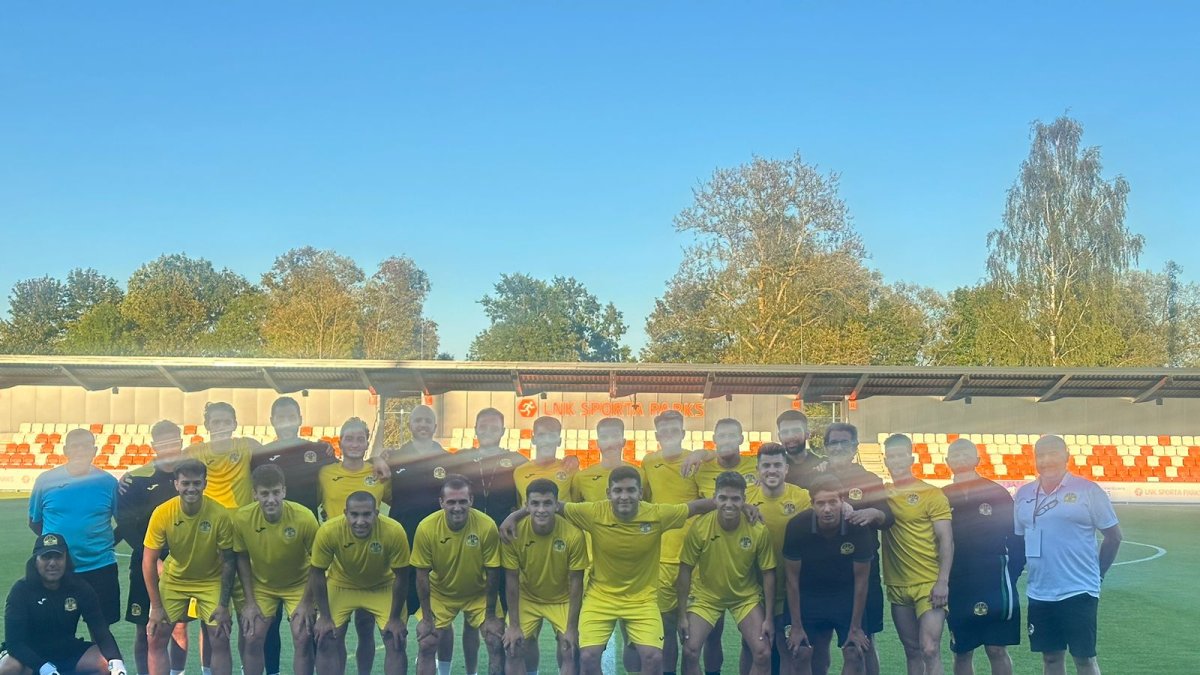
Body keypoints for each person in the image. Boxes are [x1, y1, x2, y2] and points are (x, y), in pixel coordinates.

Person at [501, 465, 745, 675]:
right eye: (618, 490)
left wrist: (741, 507)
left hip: (643, 599)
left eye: (630, 490)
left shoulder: (657, 514)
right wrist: (515, 515)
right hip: (600, 597)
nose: (624, 496)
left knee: (653, 659)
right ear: (609, 493)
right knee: (587, 658)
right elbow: (551, 505)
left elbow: (694, 506)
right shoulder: (594, 512)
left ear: (640, 492)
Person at [1014, 435, 1121, 675]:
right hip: (1039, 591)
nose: (1046, 460)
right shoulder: (1023, 494)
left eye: (1052, 453)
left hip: (1078, 589)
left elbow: (1114, 536)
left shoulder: (1088, 490)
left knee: (1084, 659)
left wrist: (1098, 575)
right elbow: (1020, 540)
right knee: (1051, 659)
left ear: (1067, 457)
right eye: (1040, 455)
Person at [372, 405, 461, 672]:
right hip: (401, 549)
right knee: (396, 621)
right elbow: (379, 487)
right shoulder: (395, 457)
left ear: (435, 427)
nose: (422, 424)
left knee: (440, 622)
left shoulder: (448, 459)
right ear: (409, 425)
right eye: (418, 420)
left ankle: (441, 669)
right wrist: (376, 456)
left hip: (437, 549)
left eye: (428, 421)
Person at [142, 460, 237, 675]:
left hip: (210, 579)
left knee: (220, 636)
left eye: (196, 483)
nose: (191, 488)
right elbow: (148, 560)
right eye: (185, 483)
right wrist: (156, 607)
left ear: (205, 483)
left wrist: (223, 605)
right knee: (156, 635)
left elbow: (229, 560)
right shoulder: (163, 513)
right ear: (176, 484)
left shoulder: (220, 514)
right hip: (175, 579)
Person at [677, 471, 775, 675]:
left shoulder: (757, 529)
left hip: (745, 597)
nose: (728, 504)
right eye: (723, 498)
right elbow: (685, 569)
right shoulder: (700, 527)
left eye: (735, 499)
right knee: (690, 651)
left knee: (763, 652)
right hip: (706, 597)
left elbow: (768, 573)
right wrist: (682, 616)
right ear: (714, 498)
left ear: (744, 500)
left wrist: (769, 618)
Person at [942, 439, 1024, 675]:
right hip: (958, 582)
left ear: (978, 460)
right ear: (947, 462)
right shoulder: (941, 496)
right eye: (954, 455)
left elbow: (1017, 537)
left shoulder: (996, 492)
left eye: (965, 454)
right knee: (962, 650)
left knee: (996, 649)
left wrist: (1011, 572)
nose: (960, 459)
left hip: (995, 581)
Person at [318, 418, 391, 675]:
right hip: (336, 564)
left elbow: (395, 503)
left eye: (360, 439)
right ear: (339, 443)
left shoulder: (378, 474)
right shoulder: (325, 474)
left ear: (366, 441)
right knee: (335, 632)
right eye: (349, 438)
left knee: (365, 627)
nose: (355, 444)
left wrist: (381, 459)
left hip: (371, 562)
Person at [115, 421, 189, 675]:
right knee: (145, 626)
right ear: (154, 445)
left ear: (181, 441)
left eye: (174, 441)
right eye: (163, 442)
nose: (169, 447)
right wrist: (151, 558)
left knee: (179, 625)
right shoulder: (137, 478)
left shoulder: (189, 475)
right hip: (145, 562)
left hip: (183, 562)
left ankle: (176, 673)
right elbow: (125, 524)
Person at [309, 491, 410, 675]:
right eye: (354, 514)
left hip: (382, 586)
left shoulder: (394, 531)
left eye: (366, 514)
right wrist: (324, 617)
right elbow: (316, 573)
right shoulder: (329, 530)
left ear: (376, 513)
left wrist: (395, 619)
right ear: (345, 512)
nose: (360, 521)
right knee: (325, 637)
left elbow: (402, 576)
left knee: (394, 638)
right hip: (342, 584)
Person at [411, 475, 504, 675]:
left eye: (463, 501)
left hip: (478, 593)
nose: (457, 507)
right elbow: (421, 575)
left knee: (496, 640)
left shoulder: (486, 526)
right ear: (441, 503)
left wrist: (490, 616)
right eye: (451, 502)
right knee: (427, 641)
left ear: (471, 501)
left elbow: (493, 572)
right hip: (441, 594)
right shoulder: (426, 528)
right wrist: (427, 618)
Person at [232, 465, 320, 675]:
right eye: (264, 493)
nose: (270, 499)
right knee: (252, 636)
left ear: (284, 491)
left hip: (299, 585)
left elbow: (318, 562)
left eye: (275, 493)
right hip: (263, 586)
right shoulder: (242, 518)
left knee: (303, 636)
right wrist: (250, 602)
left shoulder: (304, 517)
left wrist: (307, 602)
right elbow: (241, 558)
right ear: (255, 494)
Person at [782, 475, 874, 675]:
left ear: (842, 501)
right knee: (800, 652)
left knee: (855, 653)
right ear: (812, 504)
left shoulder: (856, 527)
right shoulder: (797, 526)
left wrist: (856, 627)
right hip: (809, 595)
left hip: (845, 596)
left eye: (833, 502)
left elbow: (861, 581)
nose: (827, 509)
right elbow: (792, 581)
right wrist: (796, 627)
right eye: (821, 503)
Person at [28, 429, 121, 626]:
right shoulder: (46, 481)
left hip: (100, 567)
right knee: (57, 626)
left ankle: (105, 659)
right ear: (65, 450)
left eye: (86, 446)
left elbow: (123, 521)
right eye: (75, 446)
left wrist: (103, 544)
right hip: (57, 569)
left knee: (101, 627)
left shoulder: (108, 482)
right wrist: (57, 547)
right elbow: (35, 522)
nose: (80, 451)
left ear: (94, 450)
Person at [0, 534, 127, 675]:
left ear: (66, 559)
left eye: (58, 557)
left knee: (106, 663)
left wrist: (116, 662)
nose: (53, 563)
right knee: (9, 667)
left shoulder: (80, 587)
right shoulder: (20, 591)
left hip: (66, 649)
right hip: (30, 653)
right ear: (35, 561)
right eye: (46, 557)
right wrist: (43, 667)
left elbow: (100, 630)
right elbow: (14, 644)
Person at [881, 434, 954, 675]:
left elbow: (946, 539)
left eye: (901, 455)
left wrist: (942, 581)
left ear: (911, 458)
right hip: (897, 584)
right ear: (886, 460)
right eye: (891, 456)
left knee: (930, 648)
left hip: (928, 583)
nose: (896, 460)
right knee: (912, 651)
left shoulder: (931, 493)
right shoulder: (882, 493)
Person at [824, 423, 893, 675]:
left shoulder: (870, 479)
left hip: (862, 569)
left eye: (844, 442)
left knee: (865, 640)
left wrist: (874, 512)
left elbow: (889, 517)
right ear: (826, 447)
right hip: (823, 571)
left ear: (854, 447)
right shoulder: (815, 476)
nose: (839, 447)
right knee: (820, 642)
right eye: (833, 443)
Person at [499, 479, 588, 675]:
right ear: (527, 506)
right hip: (528, 597)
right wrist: (513, 626)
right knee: (513, 648)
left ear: (557, 504)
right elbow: (511, 579)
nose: (541, 509)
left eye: (547, 503)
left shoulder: (573, 535)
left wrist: (572, 629)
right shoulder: (514, 532)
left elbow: (576, 582)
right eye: (535, 503)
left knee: (570, 649)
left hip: (562, 599)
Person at [640, 410, 700, 675]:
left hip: (694, 557)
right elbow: (645, 500)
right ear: (657, 435)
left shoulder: (696, 460)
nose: (669, 435)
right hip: (662, 557)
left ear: (683, 433)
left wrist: (704, 453)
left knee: (694, 635)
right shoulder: (648, 462)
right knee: (666, 628)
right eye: (664, 431)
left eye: (674, 430)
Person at [745, 442, 812, 674]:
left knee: (787, 649)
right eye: (766, 466)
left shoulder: (802, 497)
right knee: (753, 647)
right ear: (758, 469)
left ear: (786, 469)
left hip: (791, 587)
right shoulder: (746, 499)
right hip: (754, 589)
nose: (771, 470)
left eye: (777, 465)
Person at [187, 402, 261, 509]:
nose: (222, 427)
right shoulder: (193, 452)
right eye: (216, 422)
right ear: (207, 425)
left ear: (234, 425)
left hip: (242, 520)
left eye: (227, 422)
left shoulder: (248, 445)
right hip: (211, 520)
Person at [513, 416, 576, 507]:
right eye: (541, 435)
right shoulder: (519, 472)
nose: (547, 441)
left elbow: (578, 504)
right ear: (533, 440)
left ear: (559, 441)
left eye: (552, 436)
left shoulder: (570, 469)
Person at [777, 410, 825, 489]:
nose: (790, 436)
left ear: (807, 434)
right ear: (779, 437)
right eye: (785, 432)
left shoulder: (820, 465)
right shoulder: (774, 468)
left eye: (796, 431)